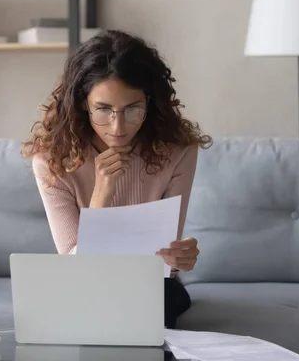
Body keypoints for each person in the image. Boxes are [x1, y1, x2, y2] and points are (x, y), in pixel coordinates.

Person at [21, 29, 212, 329]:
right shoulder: (51, 161)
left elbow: (162, 259)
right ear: (84, 103)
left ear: (149, 102)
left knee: (151, 307)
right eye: (104, 109)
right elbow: (76, 269)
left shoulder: (178, 151)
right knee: (85, 312)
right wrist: (102, 194)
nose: (118, 127)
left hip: (149, 286)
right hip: (83, 284)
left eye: (132, 109)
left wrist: (177, 260)